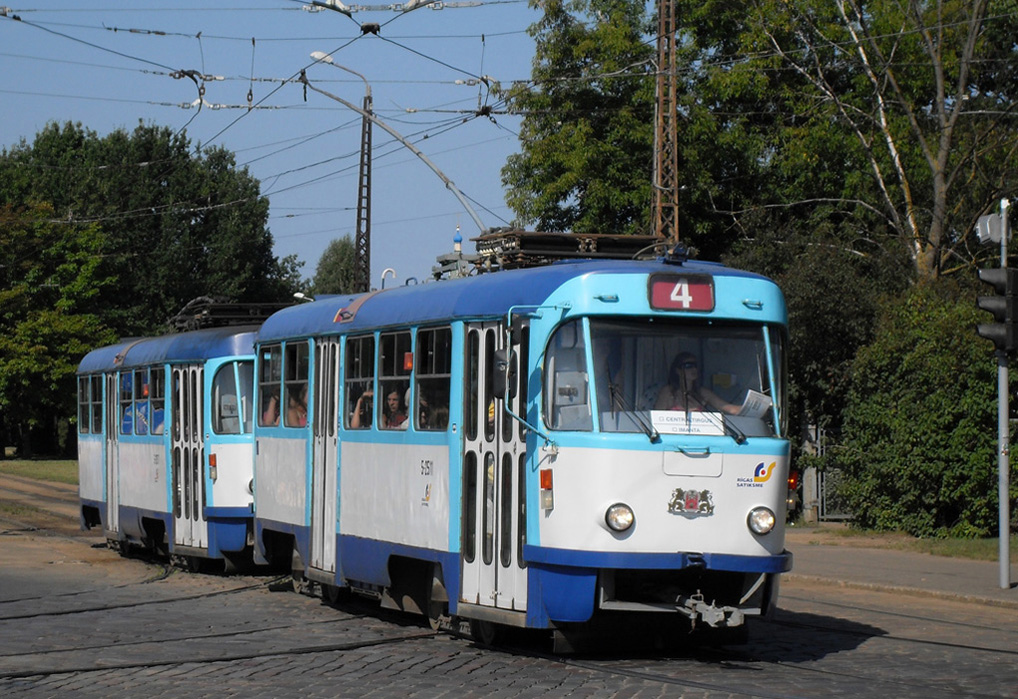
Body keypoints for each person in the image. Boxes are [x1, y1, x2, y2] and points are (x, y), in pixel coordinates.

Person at [655, 352, 738, 414]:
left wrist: (749, 410)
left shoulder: (702, 392)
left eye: (695, 365)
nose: (693, 369)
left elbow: (729, 408)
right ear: (677, 370)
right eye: (688, 366)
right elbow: (656, 417)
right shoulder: (669, 392)